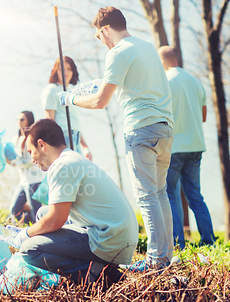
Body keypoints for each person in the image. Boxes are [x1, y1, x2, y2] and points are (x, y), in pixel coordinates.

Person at [58, 7, 174, 272]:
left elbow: (100, 102)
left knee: (146, 196)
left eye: (99, 36)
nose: (101, 41)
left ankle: (156, 261)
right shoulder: (146, 47)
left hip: (141, 130)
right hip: (165, 128)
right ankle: (165, 257)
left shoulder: (118, 52)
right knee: (160, 193)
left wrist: (71, 99)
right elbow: (129, 83)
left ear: (106, 29)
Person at [0, 119, 138, 286]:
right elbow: (51, 215)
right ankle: (96, 265)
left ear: (42, 145)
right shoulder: (72, 158)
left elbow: (55, 221)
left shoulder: (62, 165)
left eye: (30, 152)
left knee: (30, 249)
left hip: (110, 240)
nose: (32, 159)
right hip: (117, 233)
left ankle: (99, 275)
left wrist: (26, 233)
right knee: (42, 213)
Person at [158, 46, 215, 249]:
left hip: (174, 147)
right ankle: (209, 242)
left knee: (170, 194)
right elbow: (204, 117)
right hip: (196, 145)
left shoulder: (165, 82)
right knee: (195, 196)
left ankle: (178, 244)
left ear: (162, 61)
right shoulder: (195, 81)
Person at [41, 57, 92, 159]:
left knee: (79, 172)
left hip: (75, 136)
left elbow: (75, 122)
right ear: (56, 71)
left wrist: (85, 146)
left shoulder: (74, 92)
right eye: (61, 69)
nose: (66, 72)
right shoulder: (51, 90)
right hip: (63, 137)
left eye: (69, 68)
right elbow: (50, 121)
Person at [7, 111, 45, 224]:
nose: (19, 122)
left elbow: (30, 160)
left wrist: (14, 163)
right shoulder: (15, 139)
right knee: (14, 210)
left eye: (22, 119)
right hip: (22, 181)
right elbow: (12, 156)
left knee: (36, 212)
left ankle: (40, 232)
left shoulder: (33, 138)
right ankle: (30, 227)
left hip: (34, 181)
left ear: (29, 121)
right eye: (18, 119)